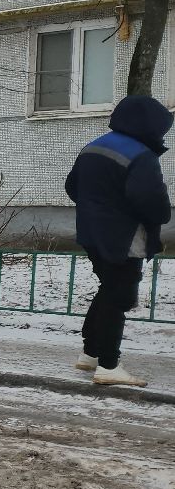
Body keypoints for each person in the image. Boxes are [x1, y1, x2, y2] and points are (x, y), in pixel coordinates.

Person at [65, 93, 171, 387]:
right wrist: (162, 215)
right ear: (150, 126)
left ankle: (90, 354)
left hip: (91, 232)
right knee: (119, 296)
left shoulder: (93, 147)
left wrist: (96, 208)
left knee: (109, 289)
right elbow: (150, 199)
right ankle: (109, 366)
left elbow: (72, 186)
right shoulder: (140, 154)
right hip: (125, 236)